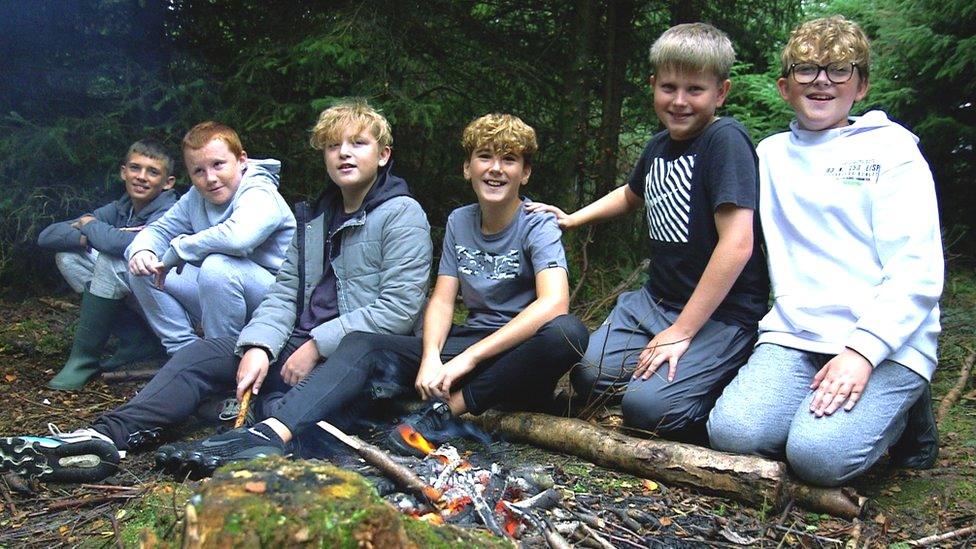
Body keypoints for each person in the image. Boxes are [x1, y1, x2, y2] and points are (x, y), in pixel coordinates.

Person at [0, 99, 432, 483]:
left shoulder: (401, 214)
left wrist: (317, 346)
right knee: (198, 356)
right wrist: (260, 345)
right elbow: (284, 295)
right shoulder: (316, 216)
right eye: (334, 146)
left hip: (359, 359)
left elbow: (399, 309)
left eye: (358, 144)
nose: (345, 154)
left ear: (383, 154)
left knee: (281, 408)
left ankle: (256, 438)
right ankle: (102, 439)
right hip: (298, 344)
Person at [170, 112, 589, 474]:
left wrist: (465, 360)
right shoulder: (461, 220)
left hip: (517, 355)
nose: (495, 169)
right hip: (469, 343)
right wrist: (429, 357)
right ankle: (270, 433)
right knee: (363, 343)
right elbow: (442, 299)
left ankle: (445, 412)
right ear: (467, 168)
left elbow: (553, 303)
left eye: (509, 160)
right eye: (485, 157)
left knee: (567, 332)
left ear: (525, 173)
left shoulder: (537, 224)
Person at [707, 16, 943, 487]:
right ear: (784, 86)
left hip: (885, 342)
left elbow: (917, 272)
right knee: (733, 433)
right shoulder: (769, 155)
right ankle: (824, 415)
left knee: (818, 458)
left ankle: (907, 414)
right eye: (806, 69)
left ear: (861, 86)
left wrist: (862, 351)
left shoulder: (893, 152)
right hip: (797, 335)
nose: (821, 80)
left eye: (839, 69)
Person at [526, 23, 768, 441]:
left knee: (648, 410)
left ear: (721, 92)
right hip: (655, 302)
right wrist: (572, 219)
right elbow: (631, 193)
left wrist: (682, 331)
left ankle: (723, 376)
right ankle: (667, 373)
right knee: (589, 377)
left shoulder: (724, 140)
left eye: (695, 90)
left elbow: (738, 242)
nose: (679, 101)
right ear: (653, 85)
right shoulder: (659, 145)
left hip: (720, 315)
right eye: (669, 87)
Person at [126, 121, 296, 354]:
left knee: (217, 266)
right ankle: (186, 353)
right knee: (145, 269)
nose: (211, 178)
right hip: (224, 294)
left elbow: (239, 237)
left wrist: (180, 248)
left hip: (277, 302)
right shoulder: (196, 197)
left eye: (218, 165)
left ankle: (222, 361)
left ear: (241, 160)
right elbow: (158, 230)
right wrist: (142, 251)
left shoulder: (260, 190)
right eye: (199, 171)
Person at [38, 138, 178, 390]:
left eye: (153, 172)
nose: (141, 177)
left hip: (172, 300)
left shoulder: (171, 210)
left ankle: (84, 360)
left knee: (110, 258)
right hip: (139, 293)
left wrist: (91, 226)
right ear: (123, 171)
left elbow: (120, 247)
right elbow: (48, 236)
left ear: (168, 183)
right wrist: (88, 235)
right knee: (69, 257)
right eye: (135, 168)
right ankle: (135, 339)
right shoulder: (121, 208)